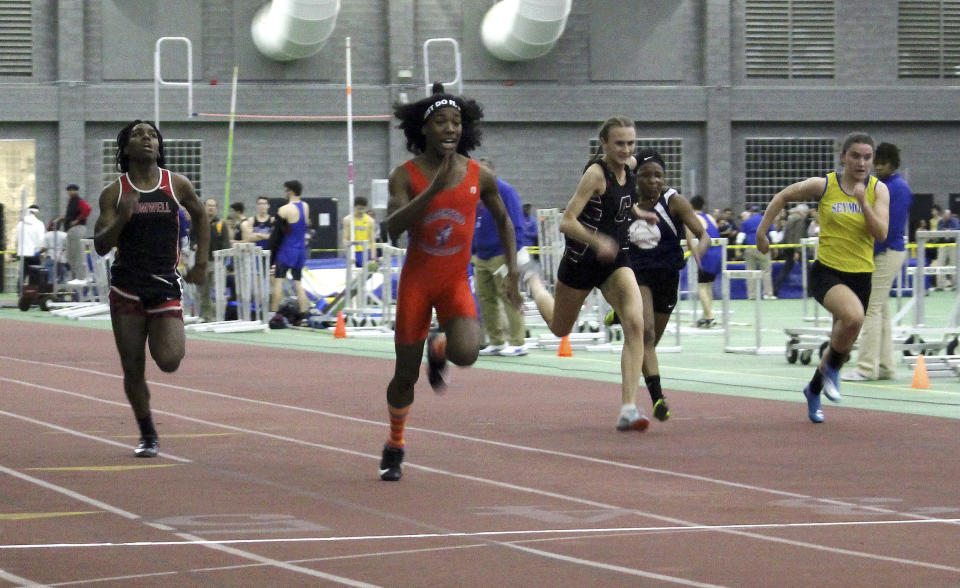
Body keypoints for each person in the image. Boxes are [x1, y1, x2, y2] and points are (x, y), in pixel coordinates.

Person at [378, 83, 522, 481]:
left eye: (456, 122)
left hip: (455, 281)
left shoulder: (480, 175)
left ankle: (438, 346)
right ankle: (395, 443)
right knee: (404, 377)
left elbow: (505, 220)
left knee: (468, 353)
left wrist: (512, 271)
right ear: (423, 129)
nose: (449, 129)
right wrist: (434, 190)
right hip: (417, 286)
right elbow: (392, 229)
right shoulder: (404, 176)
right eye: (440, 121)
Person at [522, 116, 657, 433]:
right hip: (582, 259)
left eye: (630, 143)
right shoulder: (596, 175)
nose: (626, 149)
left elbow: (621, 205)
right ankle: (532, 280)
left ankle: (628, 408)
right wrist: (598, 241)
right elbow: (567, 221)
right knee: (559, 327)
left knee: (635, 323)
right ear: (605, 144)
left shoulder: (631, 168)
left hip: (615, 260)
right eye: (619, 143)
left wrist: (640, 214)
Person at [93, 119, 209, 457]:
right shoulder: (114, 193)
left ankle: (161, 336)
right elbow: (101, 245)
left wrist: (202, 263)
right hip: (127, 289)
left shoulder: (177, 184)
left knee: (170, 360)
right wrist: (121, 218)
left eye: (152, 135)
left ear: (159, 146)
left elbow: (201, 216)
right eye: (138, 134)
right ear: (126, 148)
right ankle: (147, 433)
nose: (147, 138)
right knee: (133, 367)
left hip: (164, 286)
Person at [756, 132, 889, 423]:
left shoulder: (878, 191)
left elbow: (880, 233)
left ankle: (813, 389)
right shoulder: (824, 184)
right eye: (855, 155)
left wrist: (863, 203)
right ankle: (831, 370)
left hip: (861, 275)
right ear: (843, 157)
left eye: (867, 157)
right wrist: (761, 231)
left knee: (841, 340)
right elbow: (783, 196)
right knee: (853, 318)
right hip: (828, 272)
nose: (861, 162)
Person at [619, 149, 711, 421]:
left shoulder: (675, 202)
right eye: (646, 175)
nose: (653, 181)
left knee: (649, 343)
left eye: (658, 176)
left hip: (668, 276)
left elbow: (703, 234)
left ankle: (622, 318)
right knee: (644, 333)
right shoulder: (627, 203)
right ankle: (658, 398)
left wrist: (699, 251)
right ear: (636, 178)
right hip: (637, 275)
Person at [844, 142, 913, 381]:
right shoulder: (886, 186)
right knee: (880, 310)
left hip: (886, 251)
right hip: (884, 250)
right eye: (878, 163)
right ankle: (884, 366)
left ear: (892, 164)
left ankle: (865, 368)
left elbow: (889, 228)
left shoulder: (897, 188)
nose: (878, 167)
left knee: (870, 310)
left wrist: (868, 253)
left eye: (883, 163)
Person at [473, 157, 528, 357]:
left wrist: (512, 257)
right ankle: (497, 340)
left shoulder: (504, 191)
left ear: (492, 172)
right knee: (485, 298)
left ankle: (518, 341)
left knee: (508, 296)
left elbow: (516, 223)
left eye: (484, 172)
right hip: (481, 255)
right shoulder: (476, 194)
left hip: (501, 254)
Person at [271, 180, 310, 314]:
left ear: (290, 191)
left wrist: (272, 255)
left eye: (286, 191)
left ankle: (274, 314)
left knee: (278, 282)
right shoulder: (305, 206)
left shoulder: (284, 209)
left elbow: (277, 235)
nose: (285, 194)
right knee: (298, 283)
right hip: (300, 251)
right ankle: (304, 314)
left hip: (287, 250)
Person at [689, 195, 722, 328]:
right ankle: (705, 315)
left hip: (706, 254)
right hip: (718, 253)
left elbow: (691, 236)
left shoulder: (694, 218)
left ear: (690, 206)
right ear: (703, 206)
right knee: (708, 286)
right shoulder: (710, 217)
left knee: (701, 286)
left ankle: (710, 316)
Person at [197, 198, 232, 322]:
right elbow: (192, 239)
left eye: (213, 206)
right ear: (204, 207)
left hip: (217, 263)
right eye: (208, 205)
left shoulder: (221, 225)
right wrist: (194, 245)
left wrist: (225, 262)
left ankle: (218, 317)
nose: (211, 208)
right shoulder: (199, 222)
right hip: (201, 263)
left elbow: (227, 244)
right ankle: (205, 316)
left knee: (218, 291)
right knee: (203, 291)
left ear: (216, 208)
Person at [772, 203, 809, 298]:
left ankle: (775, 288)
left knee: (786, 269)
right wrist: (797, 251)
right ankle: (810, 291)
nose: (806, 215)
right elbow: (798, 235)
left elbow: (787, 234)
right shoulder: (800, 219)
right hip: (796, 248)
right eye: (806, 213)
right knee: (808, 269)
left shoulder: (791, 218)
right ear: (803, 212)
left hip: (788, 247)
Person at [56, 184, 92, 281]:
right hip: (71, 231)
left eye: (72, 190)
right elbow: (72, 214)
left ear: (76, 191)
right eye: (68, 190)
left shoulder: (79, 201)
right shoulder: (71, 202)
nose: (70, 192)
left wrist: (77, 220)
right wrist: (65, 218)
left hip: (77, 229)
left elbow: (87, 209)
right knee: (70, 255)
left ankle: (81, 277)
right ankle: (77, 275)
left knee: (77, 254)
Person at [739, 205, 776, 299]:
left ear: (751, 212)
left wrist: (737, 249)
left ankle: (752, 295)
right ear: (760, 212)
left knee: (750, 271)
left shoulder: (746, 222)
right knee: (766, 271)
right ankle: (768, 294)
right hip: (763, 247)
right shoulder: (766, 220)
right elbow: (774, 235)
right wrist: (776, 248)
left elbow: (740, 236)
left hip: (750, 248)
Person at [341, 195, 377, 268]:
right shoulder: (347, 220)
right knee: (353, 276)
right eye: (359, 208)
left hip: (366, 251)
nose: (361, 211)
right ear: (354, 207)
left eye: (363, 209)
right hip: (353, 252)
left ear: (365, 208)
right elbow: (345, 239)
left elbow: (372, 241)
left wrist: (373, 256)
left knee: (366, 276)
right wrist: (349, 254)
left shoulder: (370, 221)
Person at [933, 208, 959, 290]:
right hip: (942, 245)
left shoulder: (955, 221)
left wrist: (950, 230)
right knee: (940, 264)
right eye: (945, 215)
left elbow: (958, 229)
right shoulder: (941, 221)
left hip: (953, 246)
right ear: (944, 215)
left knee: (954, 265)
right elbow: (938, 230)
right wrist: (943, 230)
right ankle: (940, 285)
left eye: (948, 215)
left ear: (950, 215)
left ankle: (956, 285)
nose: (947, 216)